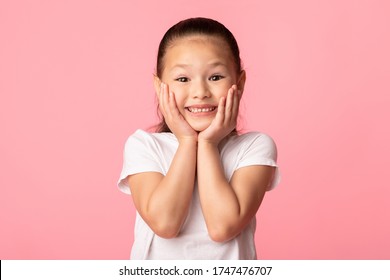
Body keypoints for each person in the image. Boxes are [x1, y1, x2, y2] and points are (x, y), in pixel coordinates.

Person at [118, 17, 280, 260]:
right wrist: (186, 141)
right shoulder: (144, 146)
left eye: (215, 77)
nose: (201, 92)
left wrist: (207, 143)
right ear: (159, 86)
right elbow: (165, 224)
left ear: (240, 83)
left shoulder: (254, 148)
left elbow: (222, 226)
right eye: (183, 79)